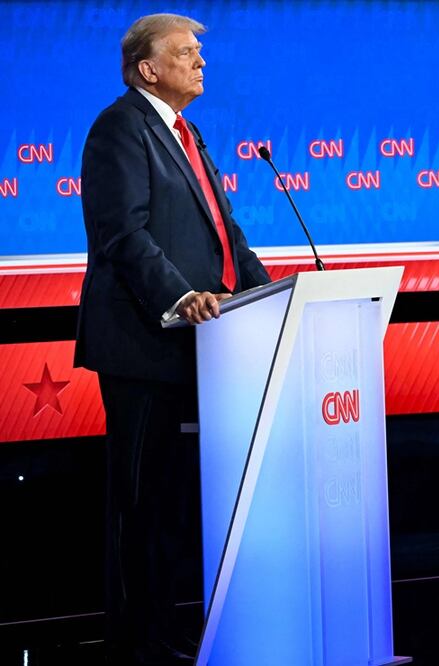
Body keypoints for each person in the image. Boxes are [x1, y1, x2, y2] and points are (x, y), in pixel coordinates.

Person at [74, 13, 270, 664]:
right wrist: (181, 296)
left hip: (199, 347)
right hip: (142, 345)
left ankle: (167, 631)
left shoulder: (187, 133)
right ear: (148, 68)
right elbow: (122, 236)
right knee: (139, 503)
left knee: (175, 506)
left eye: (200, 53)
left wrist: (272, 296)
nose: (200, 61)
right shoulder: (119, 129)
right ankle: (134, 643)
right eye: (185, 53)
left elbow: (225, 233)